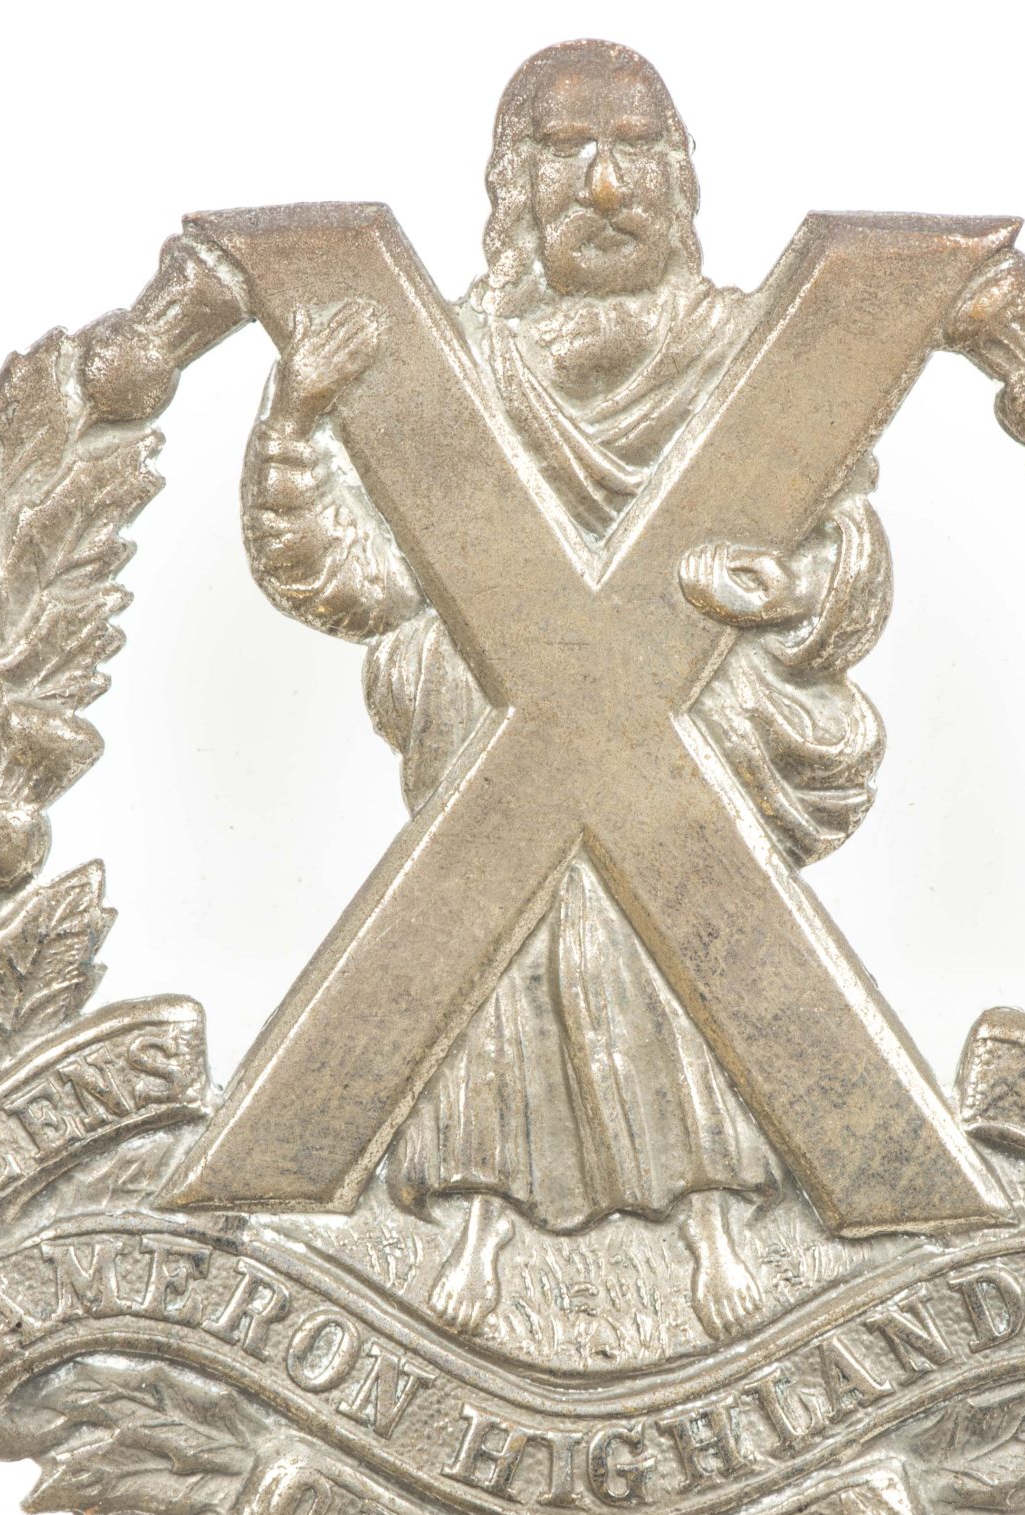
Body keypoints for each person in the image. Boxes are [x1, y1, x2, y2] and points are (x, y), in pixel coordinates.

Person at [240, 41, 894, 1340]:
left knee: (683, 919)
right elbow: (353, 579)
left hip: (687, 748)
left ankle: (723, 1221)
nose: (604, 184)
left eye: (635, 148)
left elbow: (848, 553)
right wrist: (297, 424)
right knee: (501, 943)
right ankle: (479, 1224)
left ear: (680, 175)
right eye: (565, 151)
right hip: (503, 759)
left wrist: (785, 588)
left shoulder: (749, 350)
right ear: (512, 181)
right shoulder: (449, 361)